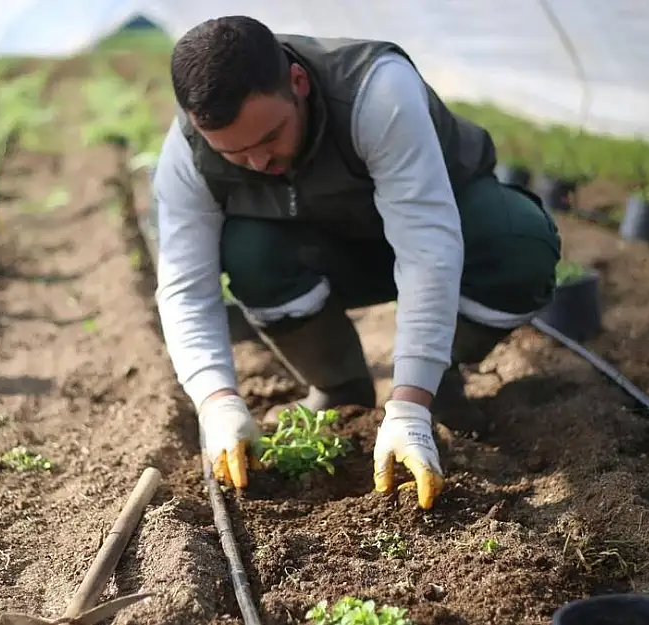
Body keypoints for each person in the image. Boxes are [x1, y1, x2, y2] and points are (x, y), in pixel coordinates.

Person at [152, 16, 561, 509]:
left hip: (446, 228)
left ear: (297, 83)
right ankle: (341, 391)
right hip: (329, 249)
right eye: (234, 152)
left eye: (270, 137)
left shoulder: (376, 91)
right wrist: (216, 404)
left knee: (520, 244)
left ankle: (439, 378)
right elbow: (185, 289)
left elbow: (426, 247)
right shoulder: (188, 155)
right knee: (249, 252)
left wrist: (409, 404)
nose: (259, 162)